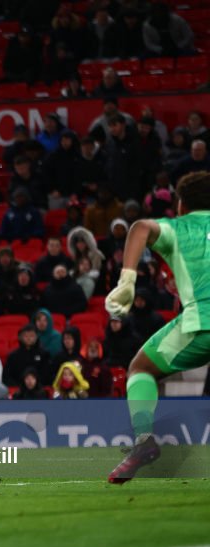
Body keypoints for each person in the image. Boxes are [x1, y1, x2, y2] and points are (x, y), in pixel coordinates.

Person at [103, 171, 210, 482]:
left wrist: (127, 281)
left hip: (202, 323)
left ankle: (144, 442)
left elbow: (139, 228)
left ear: (181, 204)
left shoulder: (178, 228)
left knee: (141, 369)